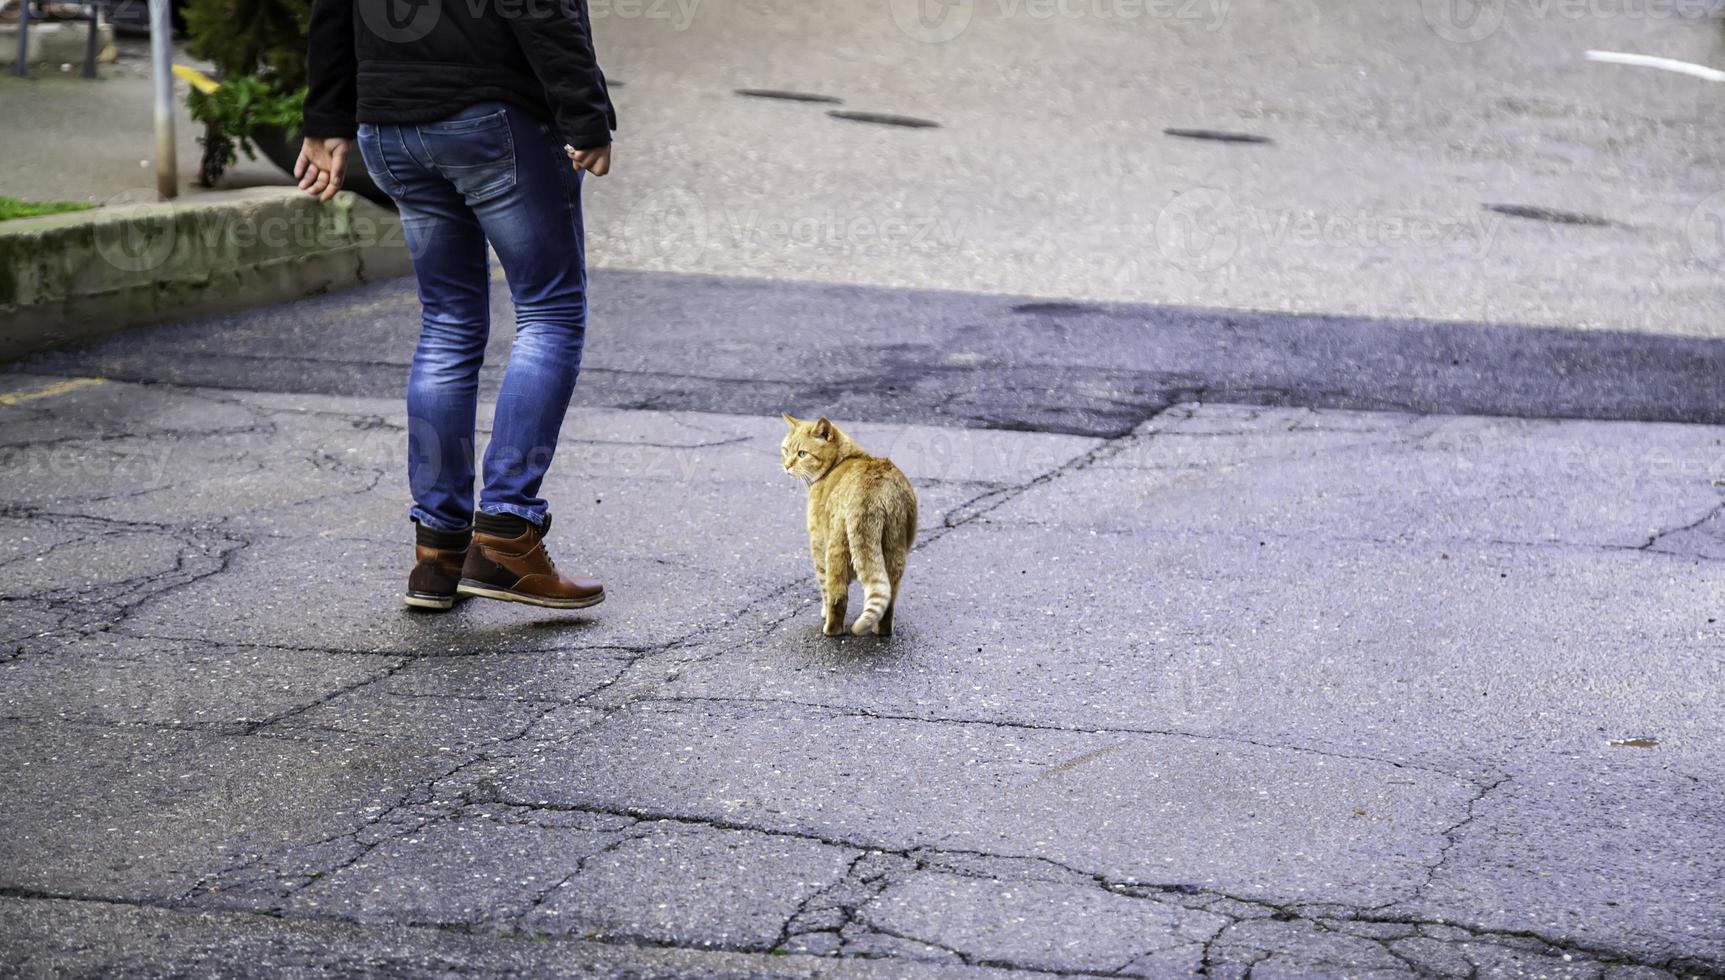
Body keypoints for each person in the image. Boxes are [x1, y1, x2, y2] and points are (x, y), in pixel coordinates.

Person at [297, 0, 615, 611]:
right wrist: (585, 115)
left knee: (447, 324)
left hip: (390, 126)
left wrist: (325, 118)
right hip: (491, 116)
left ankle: (438, 551)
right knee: (549, 314)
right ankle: (504, 534)